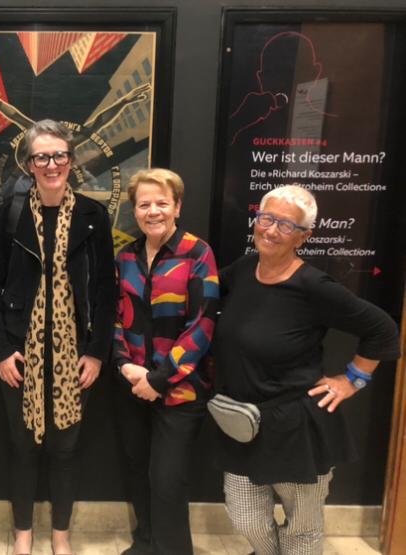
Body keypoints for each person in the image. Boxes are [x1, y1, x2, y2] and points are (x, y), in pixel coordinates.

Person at [214, 184, 400, 554]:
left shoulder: (315, 286)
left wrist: (353, 379)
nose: (270, 230)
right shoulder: (244, 269)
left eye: (285, 225)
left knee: (301, 529)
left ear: (304, 236)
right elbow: (202, 293)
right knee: (247, 519)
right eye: (266, 218)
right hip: (242, 422)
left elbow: (382, 329)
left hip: (296, 428)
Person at [0, 119, 117, 555]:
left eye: (60, 155)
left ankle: (61, 535)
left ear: (71, 161)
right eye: (42, 156)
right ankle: (23, 534)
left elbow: (104, 290)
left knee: (66, 449)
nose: (52, 163)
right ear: (29, 164)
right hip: (20, 350)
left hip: (74, 350)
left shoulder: (94, 216)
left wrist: (96, 353)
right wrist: (1, 350)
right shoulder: (9, 214)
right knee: (22, 447)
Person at [112, 169, 219, 554]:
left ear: (177, 206)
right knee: (137, 469)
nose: (153, 211)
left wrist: (158, 379)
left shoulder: (198, 253)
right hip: (132, 386)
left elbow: (202, 324)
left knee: (168, 479)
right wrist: (125, 365)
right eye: (144, 204)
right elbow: (114, 317)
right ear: (134, 210)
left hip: (180, 390)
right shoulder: (126, 257)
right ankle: (145, 543)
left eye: (161, 203)